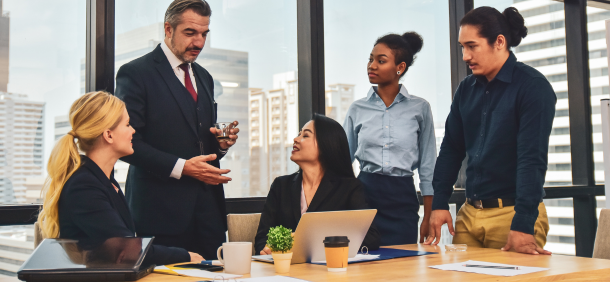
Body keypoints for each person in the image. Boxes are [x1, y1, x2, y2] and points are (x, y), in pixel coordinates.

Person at [424, 6, 555, 255]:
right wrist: (439, 203)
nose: (465, 56)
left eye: (472, 46)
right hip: (469, 215)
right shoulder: (466, 89)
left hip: (513, 216)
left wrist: (524, 224)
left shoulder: (533, 87)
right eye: (462, 47)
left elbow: (532, 160)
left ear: (499, 42)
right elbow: (451, 149)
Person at [115, 0, 240, 260]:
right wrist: (182, 167)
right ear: (168, 29)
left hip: (209, 215)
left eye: (204, 34)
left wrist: (220, 145)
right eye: (190, 33)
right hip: (159, 214)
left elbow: (199, 140)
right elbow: (127, 145)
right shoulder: (135, 73)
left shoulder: (204, 77)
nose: (199, 43)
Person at [37, 91, 202, 266]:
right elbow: (126, 249)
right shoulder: (84, 186)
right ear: (109, 135)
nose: (133, 130)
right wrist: (187, 256)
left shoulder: (104, 180)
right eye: (127, 124)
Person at [343, 31, 437, 245]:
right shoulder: (357, 109)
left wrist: (428, 217)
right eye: (370, 59)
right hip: (364, 198)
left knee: (402, 270)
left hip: (403, 200)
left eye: (381, 60)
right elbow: (341, 161)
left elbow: (428, 167)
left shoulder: (420, 108)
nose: (372, 65)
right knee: (365, 270)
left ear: (400, 67)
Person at [255, 114, 380, 254]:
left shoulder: (349, 187)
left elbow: (370, 238)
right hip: (286, 269)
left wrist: (314, 240)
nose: (295, 139)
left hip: (331, 270)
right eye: (298, 134)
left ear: (326, 144)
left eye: (305, 136)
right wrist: (267, 250)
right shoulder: (281, 186)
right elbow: (262, 238)